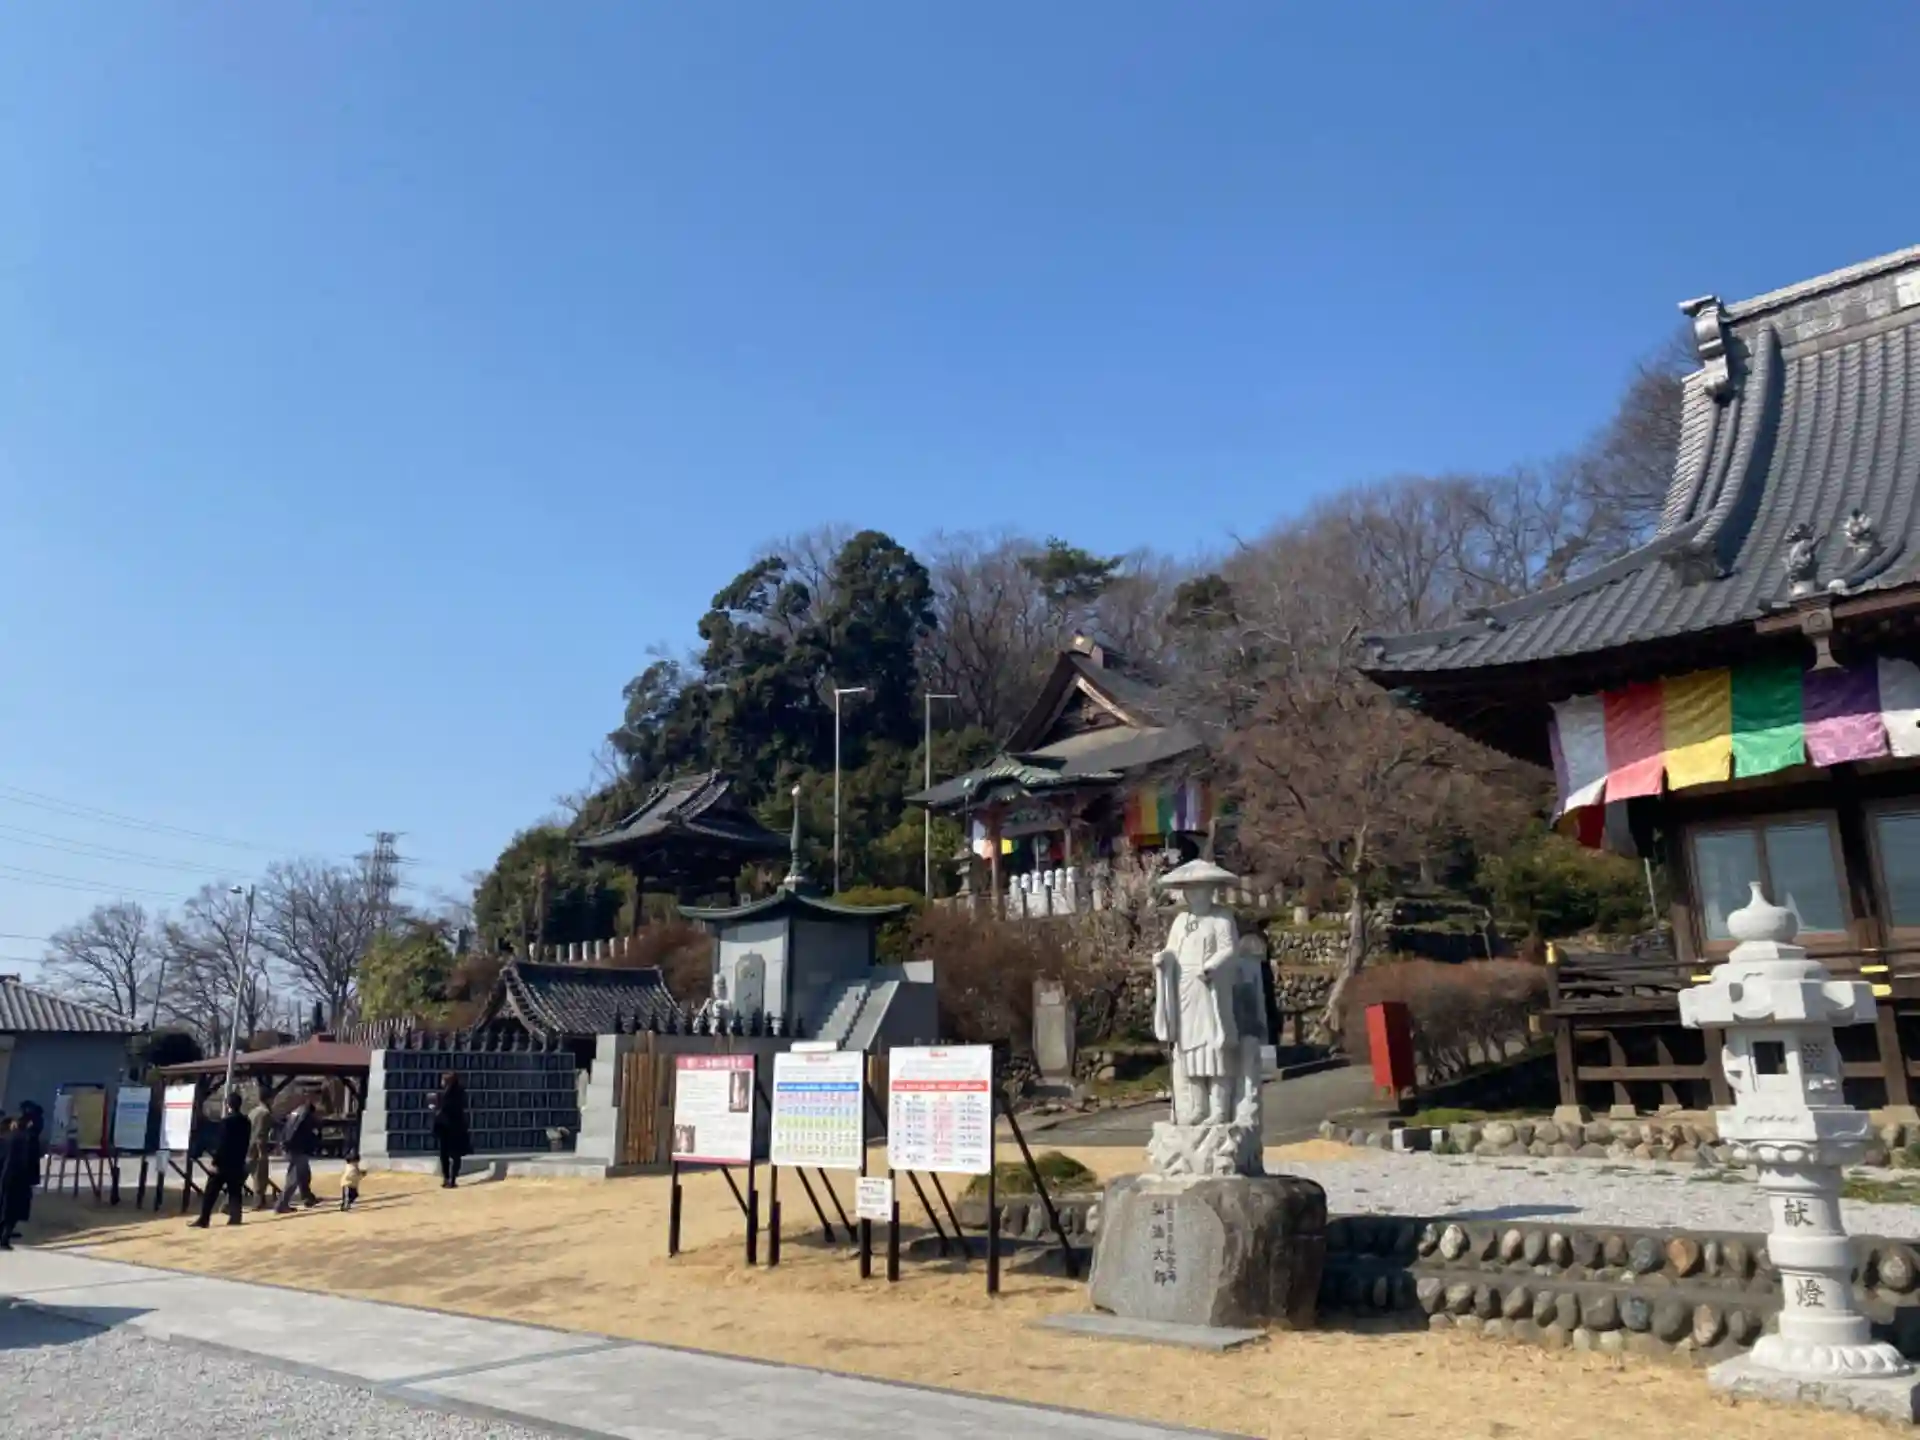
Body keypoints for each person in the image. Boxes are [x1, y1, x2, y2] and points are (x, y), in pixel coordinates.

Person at [191, 1091, 252, 1228]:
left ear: (228, 1105)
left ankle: (204, 1219)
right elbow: (245, 1142)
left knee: (211, 1191)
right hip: (238, 1161)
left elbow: (222, 1144)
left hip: (224, 1163)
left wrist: (215, 1162)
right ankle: (235, 1217)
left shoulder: (226, 1122)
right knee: (235, 1191)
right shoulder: (246, 1122)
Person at [274, 1095, 322, 1212]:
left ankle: (308, 1198)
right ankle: (282, 1204)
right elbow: (309, 1133)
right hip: (298, 1148)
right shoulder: (307, 1116)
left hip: (292, 1147)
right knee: (294, 1177)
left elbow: (285, 1125)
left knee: (304, 1174)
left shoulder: (297, 1111)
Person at [430, 1072, 468, 1189]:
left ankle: (448, 1178)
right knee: (453, 1154)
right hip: (455, 1127)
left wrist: (435, 1108)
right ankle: (451, 1178)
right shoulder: (460, 1093)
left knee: (446, 1154)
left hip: (447, 1126)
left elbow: (445, 1109)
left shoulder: (448, 1095)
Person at [0, 1116, 33, 1249]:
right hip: (17, 1178)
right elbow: (25, 1161)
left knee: (4, 1208)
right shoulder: (24, 1139)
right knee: (13, 1211)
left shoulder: (6, 1138)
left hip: (5, 1177)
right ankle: (4, 1239)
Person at [247, 1091, 274, 1211]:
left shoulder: (253, 1111)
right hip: (257, 1148)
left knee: (243, 1175)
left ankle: (228, 1202)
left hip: (248, 1146)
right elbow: (261, 1134)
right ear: (268, 1099)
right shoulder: (265, 1113)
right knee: (260, 1176)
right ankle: (258, 1203)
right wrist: (262, 1152)